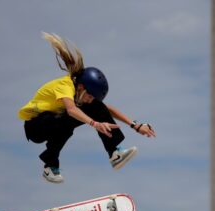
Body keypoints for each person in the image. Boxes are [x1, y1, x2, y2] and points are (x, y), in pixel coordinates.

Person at [19, 32, 156, 183]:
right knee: (68, 120)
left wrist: (135, 125)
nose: (89, 100)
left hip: (52, 121)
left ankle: (114, 153)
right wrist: (95, 124)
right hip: (35, 126)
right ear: (82, 87)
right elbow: (71, 110)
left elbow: (106, 109)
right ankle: (50, 165)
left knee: (97, 108)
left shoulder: (80, 92)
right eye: (89, 96)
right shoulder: (65, 85)